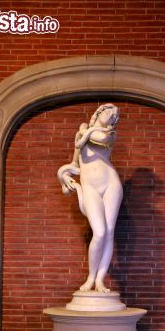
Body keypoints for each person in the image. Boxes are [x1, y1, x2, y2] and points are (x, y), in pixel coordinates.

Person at [57, 103, 123, 293]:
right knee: (100, 232)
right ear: (100, 111)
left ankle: (100, 280)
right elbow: (74, 165)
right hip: (90, 185)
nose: (113, 117)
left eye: (116, 116)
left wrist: (84, 131)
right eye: (110, 112)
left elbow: (100, 138)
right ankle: (90, 278)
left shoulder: (110, 134)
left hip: (111, 183)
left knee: (109, 232)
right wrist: (62, 174)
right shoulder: (83, 133)